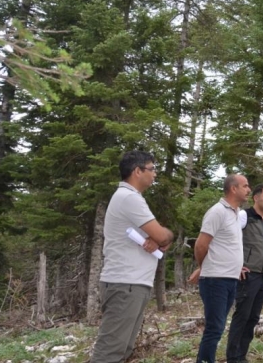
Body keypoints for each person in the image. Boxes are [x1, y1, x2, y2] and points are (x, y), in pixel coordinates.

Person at [92, 151, 174, 363]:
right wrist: (164, 237)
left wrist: (161, 238)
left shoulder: (131, 198)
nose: (155, 174)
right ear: (137, 171)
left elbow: (160, 238)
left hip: (131, 283)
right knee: (110, 351)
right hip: (125, 283)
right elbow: (161, 235)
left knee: (122, 349)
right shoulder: (129, 198)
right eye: (152, 169)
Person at [188, 174, 251, 363]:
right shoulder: (217, 212)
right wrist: (205, 267)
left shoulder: (235, 213)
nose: (249, 189)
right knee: (215, 327)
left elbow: (224, 246)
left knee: (219, 325)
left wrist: (235, 267)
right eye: (245, 186)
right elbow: (201, 245)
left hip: (229, 278)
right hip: (215, 279)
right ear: (233, 188)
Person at [226, 184, 263, 363]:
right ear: (256, 197)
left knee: (254, 316)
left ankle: (242, 356)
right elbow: (230, 239)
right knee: (242, 315)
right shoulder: (244, 216)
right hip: (247, 274)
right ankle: (232, 357)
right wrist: (237, 265)